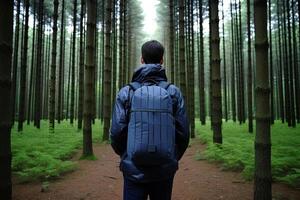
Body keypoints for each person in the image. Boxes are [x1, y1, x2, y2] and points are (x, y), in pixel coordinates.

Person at [110, 40, 189, 200]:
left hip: (133, 170)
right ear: (161, 61)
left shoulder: (127, 92)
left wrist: (127, 155)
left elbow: (117, 132)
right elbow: (183, 133)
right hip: (164, 169)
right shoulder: (173, 92)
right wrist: (170, 156)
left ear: (141, 60)